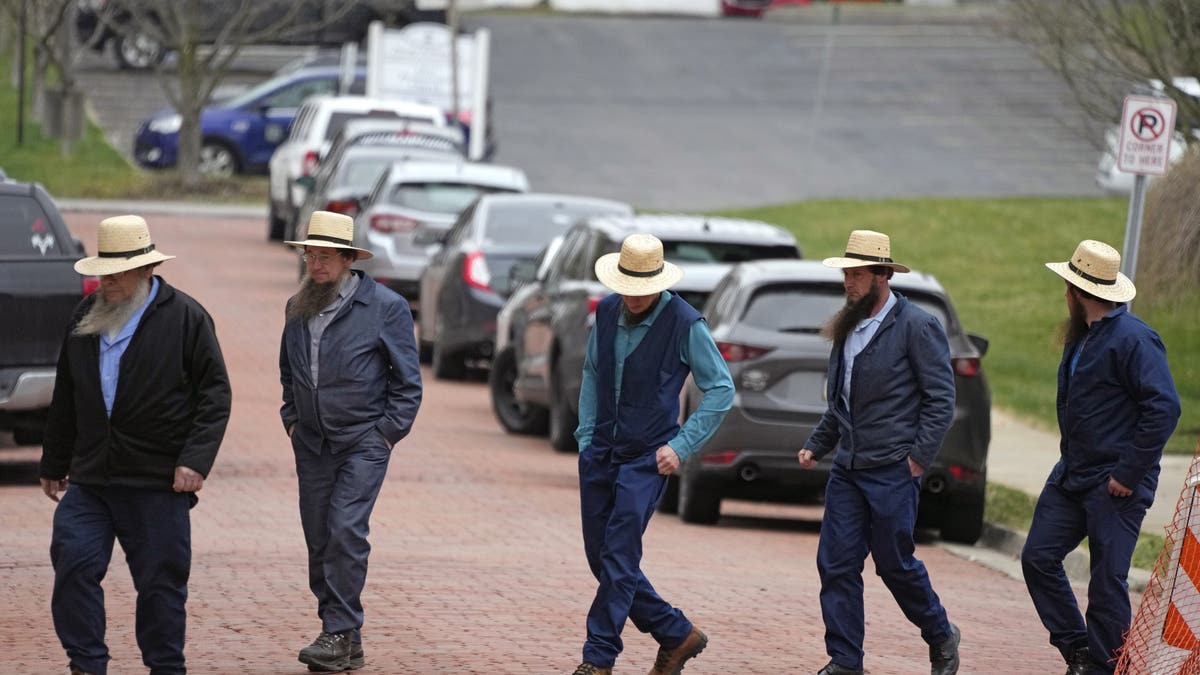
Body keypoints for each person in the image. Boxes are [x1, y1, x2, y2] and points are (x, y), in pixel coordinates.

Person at [39, 214, 232, 675]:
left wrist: (194, 461)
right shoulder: (84, 318)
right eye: (102, 273)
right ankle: (87, 664)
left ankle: (166, 667)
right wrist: (54, 459)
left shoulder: (186, 318)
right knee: (73, 564)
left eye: (118, 274)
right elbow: (67, 393)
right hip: (92, 479)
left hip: (157, 481)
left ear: (146, 269)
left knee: (161, 584)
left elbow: (215, 395)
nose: (108, 282)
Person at [796, 230, 961, 675]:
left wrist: (918, 458)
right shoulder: (846, 326)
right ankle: (846, 662)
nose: (847, 282)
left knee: (894, 564)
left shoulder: (917, 326)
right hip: (848, 468)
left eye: (856, 275)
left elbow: (941, 399)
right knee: (835, 563)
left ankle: (941, 633)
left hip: (892, 469)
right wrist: (818, 443)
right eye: (845, 274)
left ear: (882, 275)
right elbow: (842, 402)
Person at [571, 233, 734, 675]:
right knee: (600, 558)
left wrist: (681, 447)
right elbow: (590, 371)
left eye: (644, 288)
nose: (635, 296)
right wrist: (586, 437)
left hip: (647, 459)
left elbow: (721, 388)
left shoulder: (685, 322)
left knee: (619, 557)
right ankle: (677, 634)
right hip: (600, 451)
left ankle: (597, 659)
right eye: (629, 286)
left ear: (659, 282)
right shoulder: (606, 311)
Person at [1022, 240, 1180, 675]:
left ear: (1076, 292)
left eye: (1066, 287)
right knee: (1037, 557)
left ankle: (1105, 666)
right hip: (1073, 474)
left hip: (1115, 483)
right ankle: (1079, 651)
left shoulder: (1134, 339)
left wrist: (1129, 472)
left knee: (1107, 580)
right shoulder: (1084, 335)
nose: (1064, 295)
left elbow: (1164, 408)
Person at [279, 211, 423, 672]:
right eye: (311, 256)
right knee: (319, 536)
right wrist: (292, 420)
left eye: (326, 257)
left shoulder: (385, 306)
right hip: (313, 442)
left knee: (345, 529)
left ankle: (337, 631)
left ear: (347, 259)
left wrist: (385, 435)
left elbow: (408, 383)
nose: (316, 264)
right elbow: (288, 371)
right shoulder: (297, 305)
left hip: (363, 439)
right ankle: (344, 635)